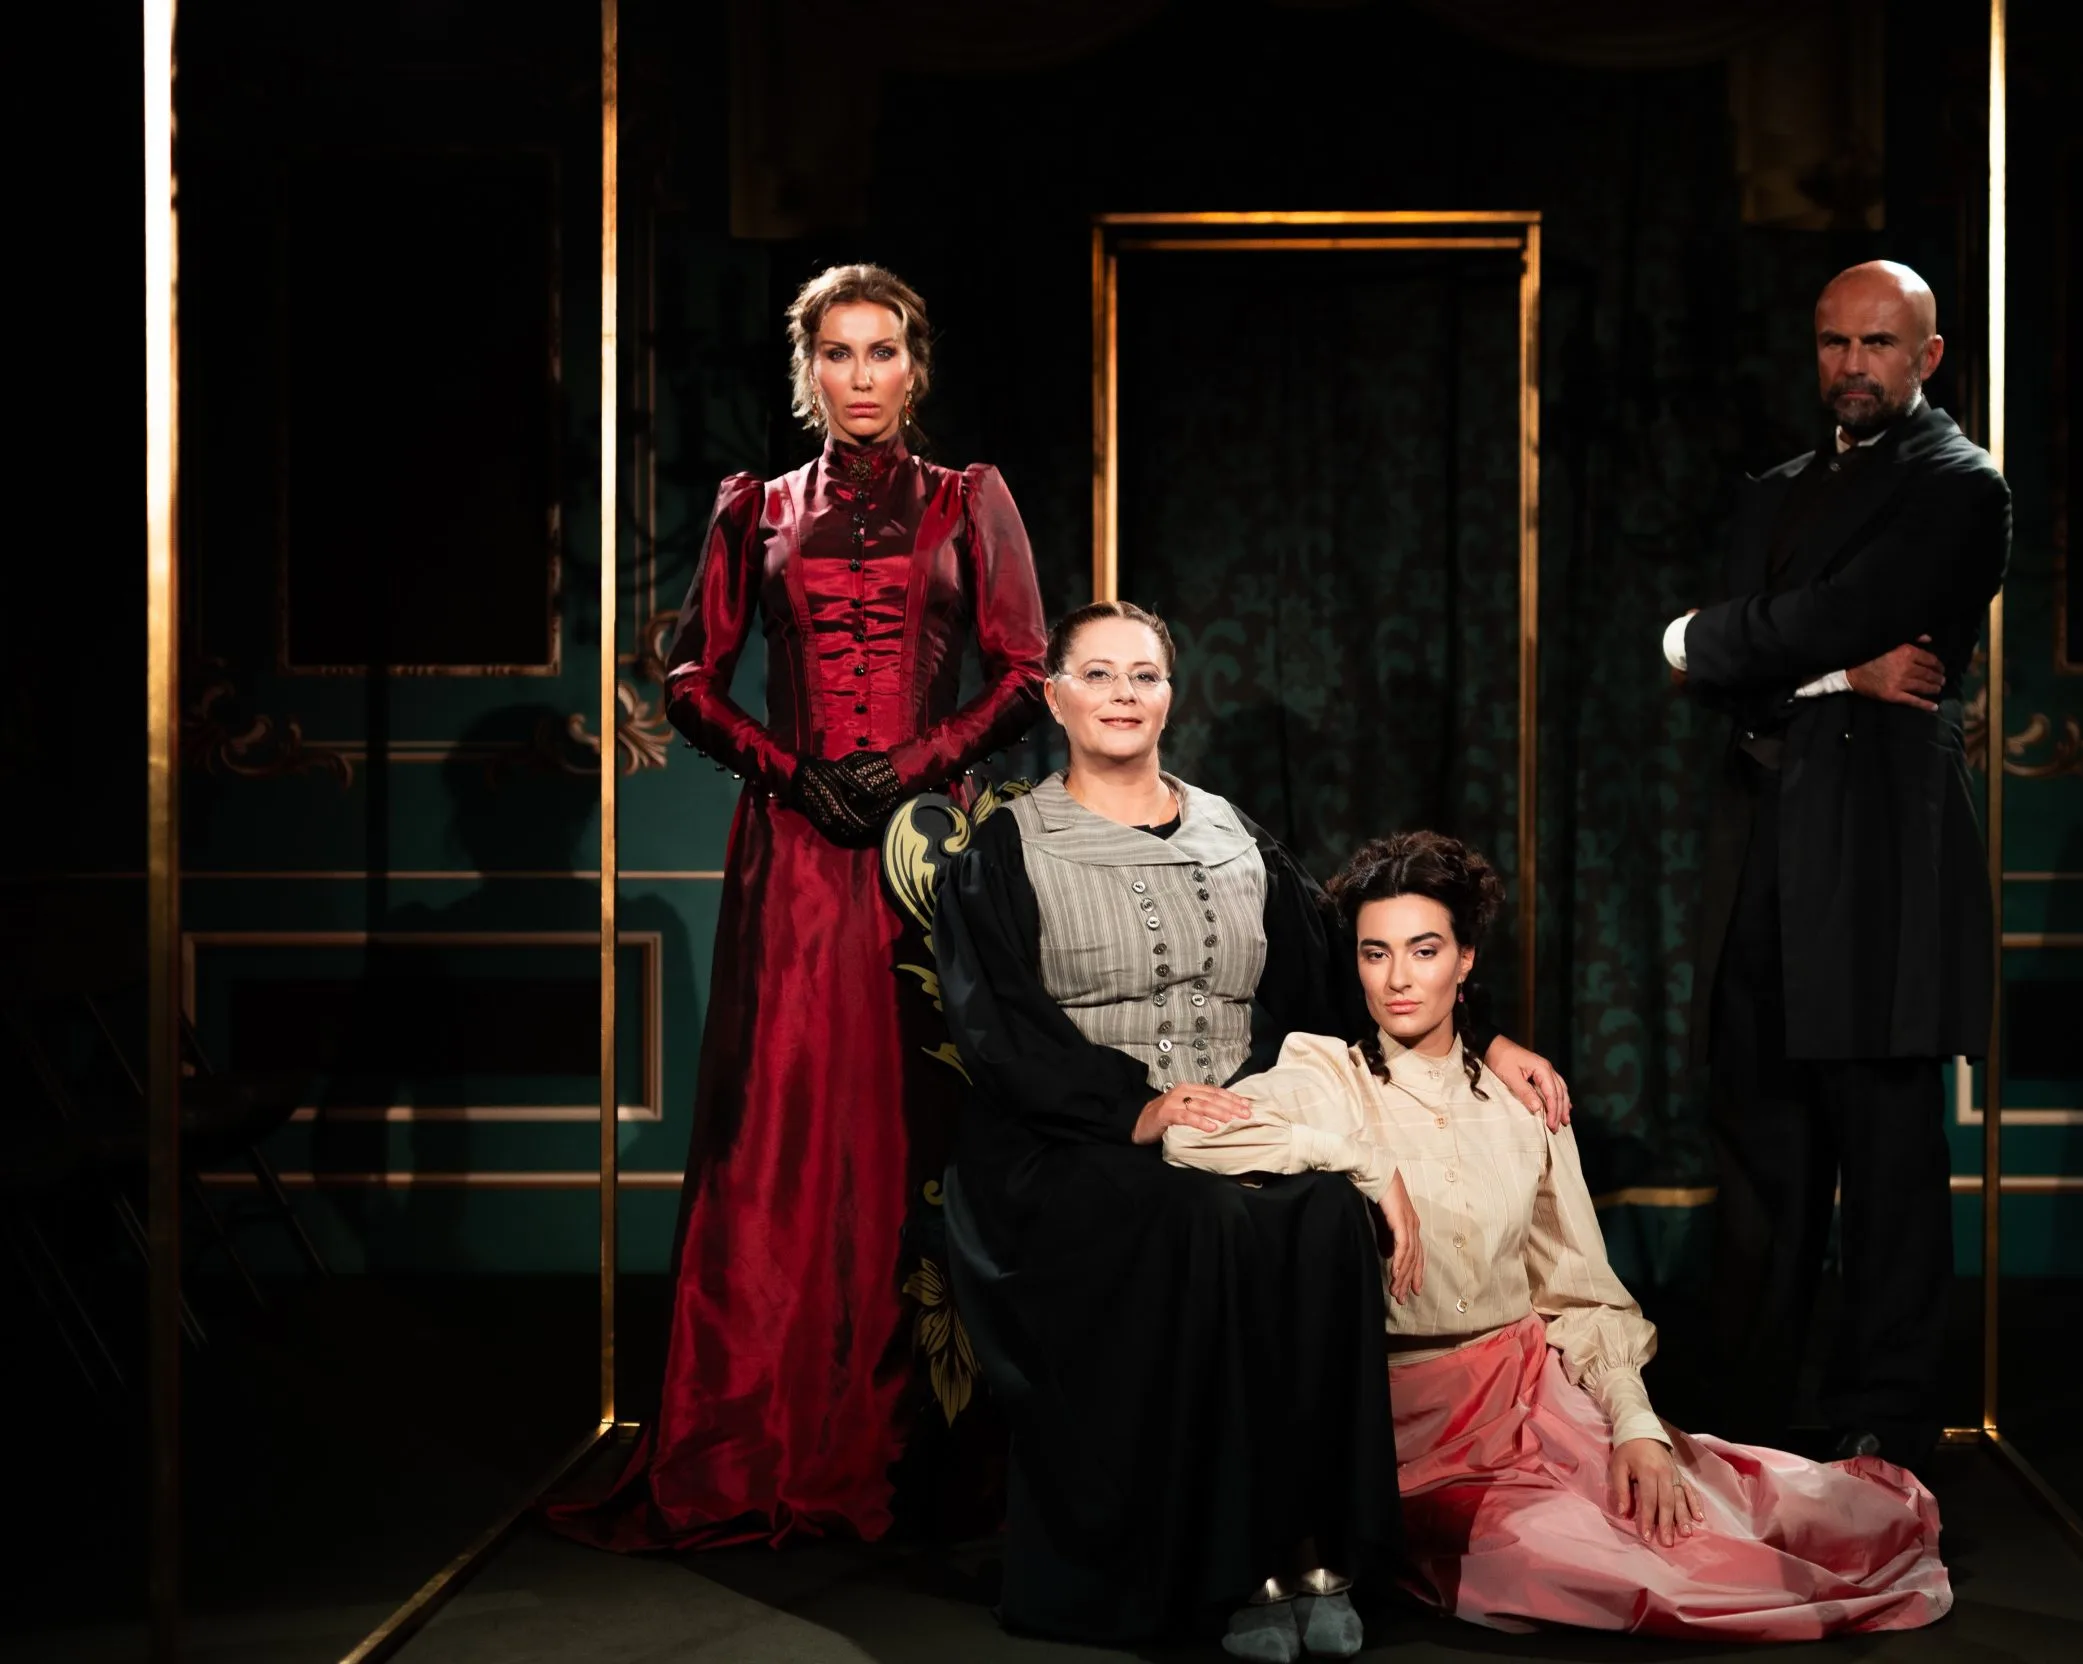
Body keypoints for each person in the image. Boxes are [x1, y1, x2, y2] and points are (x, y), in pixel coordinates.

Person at [932, 600, 1571, 1655]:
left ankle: (1315, 1548)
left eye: (1144, 675)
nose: (1124, 694)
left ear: (1170, 696)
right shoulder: (1006, 850)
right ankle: (1225, 1571)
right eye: (1098, 675)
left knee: (1322, 1216)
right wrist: (1134, 1109)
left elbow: (1339, 976)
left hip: (1248, 1129)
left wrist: (1484, 1036)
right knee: (1208, 1222)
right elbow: (996, 1026)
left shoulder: (1235, 836)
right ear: (1055, 698)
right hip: (1072, 1144)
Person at [549, 263, 1049, 1549]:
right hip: (792, 849)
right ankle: (763, 1423)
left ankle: (914, 1444)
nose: (860, 374)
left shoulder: (970, 500)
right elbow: (689, 679)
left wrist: (912, 765)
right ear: (806, 369)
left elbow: (1025, 673)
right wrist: (791, 772)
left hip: (925, 851)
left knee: (913, 1120)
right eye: (837, 351)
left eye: (882, 351)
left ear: (915, 368)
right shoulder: (754, 507)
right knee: (780, 1128)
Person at [1164, 830, 1950, 1640]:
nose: (1397, 979)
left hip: (1534, 1399)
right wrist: (1361, 1160)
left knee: (1742, 1516)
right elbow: (1189, 1135)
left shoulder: (1521, 1102)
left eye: (1424, 951)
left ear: (1465, 959)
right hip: (1408, 1437)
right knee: (1618, 1575)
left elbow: (1580, 1294)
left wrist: (1634, 1424)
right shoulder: (1327, 1075)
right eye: (1375, 954)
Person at [1661, 259, 2010, 1475]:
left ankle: (1887, 1421)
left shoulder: (1957, 485)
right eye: (1832, 342)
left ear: (1928, 354)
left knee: (1886, 1146)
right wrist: (1827, 673)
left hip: (1875, 850)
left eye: (1877, 343)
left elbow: (1821, 616)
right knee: (1762, 1143)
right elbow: (1746, 664)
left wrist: (1712, 640)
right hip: (1763, 839)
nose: (1851, 364)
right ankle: (1746, 1412)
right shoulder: (1773, 491)